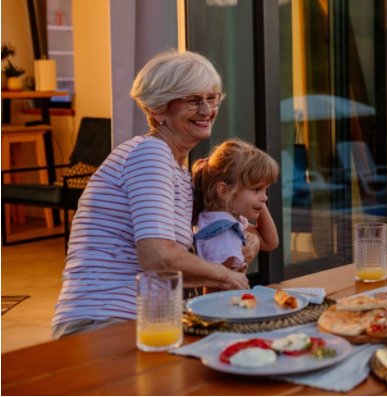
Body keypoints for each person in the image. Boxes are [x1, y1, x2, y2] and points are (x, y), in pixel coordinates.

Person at [52, 51, 256, 339]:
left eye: (212, 98)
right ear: (158, 108)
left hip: (144, 322)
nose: (207, 110)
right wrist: (226, 276)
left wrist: (245, 245)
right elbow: (158, 257)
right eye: (192, 100)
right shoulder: (149, 153)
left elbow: (170, 268)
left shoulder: (176, 168)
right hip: (103, 322)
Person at [193, 139, 280, 270]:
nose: (265, 197)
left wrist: (259, 199)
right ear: (224, 191)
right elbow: (224, 283)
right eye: (256, 189)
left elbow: (269, 242)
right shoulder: (223, 233)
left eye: (265, 190)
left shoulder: (221, 220)